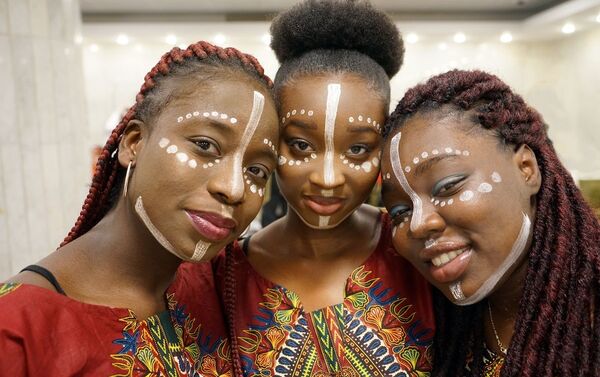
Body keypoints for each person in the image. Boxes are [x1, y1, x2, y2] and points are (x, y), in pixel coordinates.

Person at [0, 41, 279, 376]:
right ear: (134, 144)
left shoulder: (220, 284)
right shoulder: (17, 330)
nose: (233, 188)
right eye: (205, 146)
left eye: (256, 171)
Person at [216, 1, 435, 376]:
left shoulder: (420, 250)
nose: (328, 178)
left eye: (357, 149)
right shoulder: (223, 276)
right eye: (301, 145)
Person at [379, 69, 600, 376]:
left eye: (448, 186)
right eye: (400, 211)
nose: (417, 224)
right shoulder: (432, 322)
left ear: (526, 169)